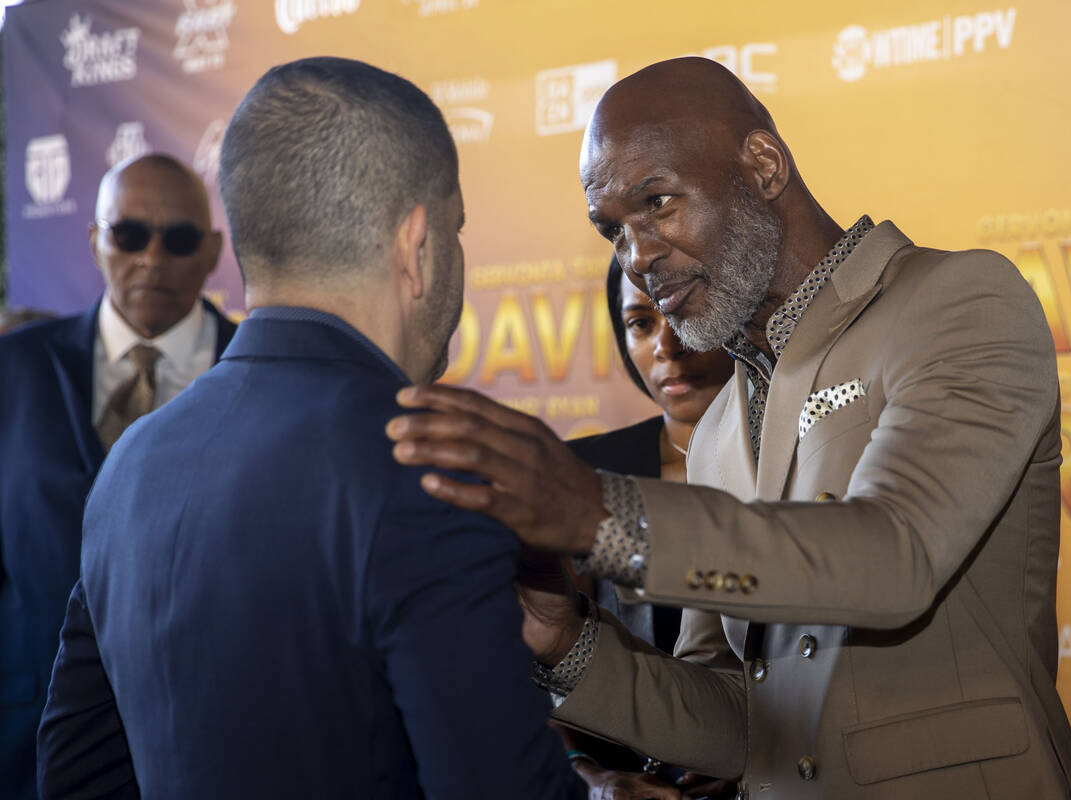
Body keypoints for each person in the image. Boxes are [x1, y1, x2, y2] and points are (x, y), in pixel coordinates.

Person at [387, 56, 1071, 799]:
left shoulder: (957, 301)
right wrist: (569, 643)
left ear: (763, 164)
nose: (638, 256)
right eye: (612, 230)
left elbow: (895, 555)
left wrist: (602, 516)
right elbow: (739, 723)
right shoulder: (718, 428)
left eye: (657, 203)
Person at [36, 57, 584, 800]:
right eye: (457, 229)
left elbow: (77, 776)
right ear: (415, 245)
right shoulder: (430, 463)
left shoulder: (130, 465)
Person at [0, 153, 235, 800]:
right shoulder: (12, 372)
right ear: (95, 240)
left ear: (214, 250)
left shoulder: (265, 379)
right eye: (129, 234)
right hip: (28, 755)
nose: (152, 258)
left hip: (218, 751)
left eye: (180, 238)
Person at [563, 258, 735, 799]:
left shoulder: (811, 460)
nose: (667, 346)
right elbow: (532, 673)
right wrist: (594, 781)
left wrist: (759, 745)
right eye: (641, 323)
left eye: (684, 313)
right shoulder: (575, 478)